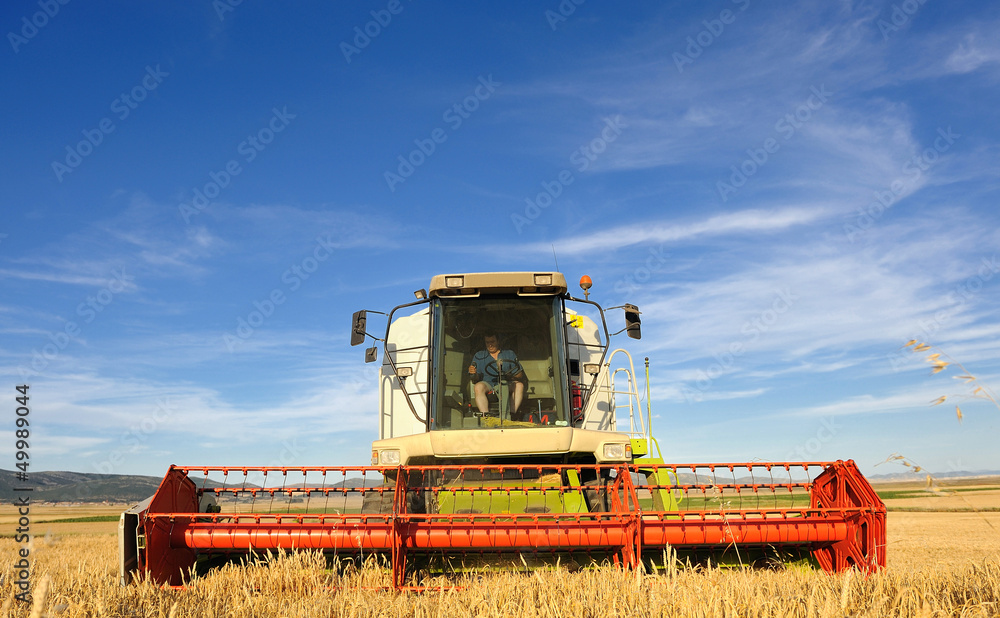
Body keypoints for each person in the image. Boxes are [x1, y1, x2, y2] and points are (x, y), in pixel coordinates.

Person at [468, 333, 526, 416]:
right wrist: (472, 372)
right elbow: (475, 378)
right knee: (478, 387)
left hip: (506, 383)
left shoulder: (509, 354)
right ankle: (485, 416)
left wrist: (511, 376)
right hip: (488, 384)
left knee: (519, 385)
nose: (490, 345)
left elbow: (520, 374)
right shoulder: (479, 356)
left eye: (492, 342)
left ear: (498, 341)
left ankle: (512, 414)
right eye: (487, 342)